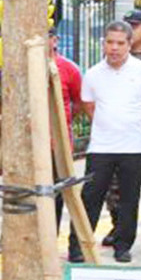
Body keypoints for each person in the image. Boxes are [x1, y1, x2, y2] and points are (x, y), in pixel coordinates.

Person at [68, 20, 141, 264]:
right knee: (90, 198)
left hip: (135, 147)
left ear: (130, 44)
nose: (114, 48)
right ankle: (78, 246)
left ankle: (123, 246)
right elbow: (89, 106)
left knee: (129, 200)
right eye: (110, 42)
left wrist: (140, 123)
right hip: (101, 148)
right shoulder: (94, 74)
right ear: (104, 44)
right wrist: (109, 124)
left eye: (120, 43)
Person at [102, 10, 141, 251]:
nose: (131, 29)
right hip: (121, 135)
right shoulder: (112, 62)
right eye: (127, 25)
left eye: (135, 26)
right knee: (115, 186)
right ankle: (119, 227)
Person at [48, 26, 82, 230]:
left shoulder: (69, 69)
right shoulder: (19, 67)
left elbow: (79, 103)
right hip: (28, 142)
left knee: (57, 191)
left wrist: (62, 122)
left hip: (58, 143)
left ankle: (52, 234)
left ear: (54, 40)